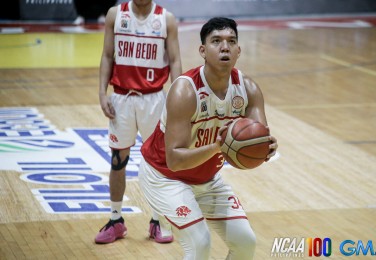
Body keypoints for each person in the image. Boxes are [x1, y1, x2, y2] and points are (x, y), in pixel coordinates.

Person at [139, 17, 278, 259]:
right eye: (216, 41)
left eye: (231, 41)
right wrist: (219, 146)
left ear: (238, 51)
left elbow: (256, 142)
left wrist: (266, 148)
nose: (225, 47)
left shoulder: (249, 89)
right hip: (164, 177)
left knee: (246, 243)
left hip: (207, 178)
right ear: (203, 50)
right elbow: (174, 160)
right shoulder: (185, 90)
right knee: (199, 243)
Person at [96, 0, 182, 244]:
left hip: (154, 100)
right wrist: (102, 94)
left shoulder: (166, 19)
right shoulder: (115, 14)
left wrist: (178, 97)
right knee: (117, 160)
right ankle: (115, 221)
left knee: (158, 162)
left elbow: (175, 61)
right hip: (121, 98)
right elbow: (107, 55)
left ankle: (157, 220)